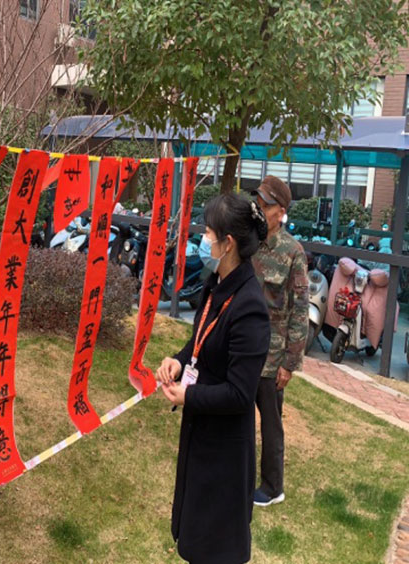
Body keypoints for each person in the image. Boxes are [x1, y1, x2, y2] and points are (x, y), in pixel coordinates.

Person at [157, 193, 271, 564]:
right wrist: (177, 362)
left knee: (214, 548)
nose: (203, 240)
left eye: (208, 233)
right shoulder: (216, 283)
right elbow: (200, 341)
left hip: (224, 452)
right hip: (200, 436)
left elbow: (240, 394)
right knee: (194, 540)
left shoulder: (249, 306)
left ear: (228, 242)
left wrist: (187, 397)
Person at [251, 175, 309, 507]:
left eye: (266, 205)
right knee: (239, 417)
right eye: (258, 202)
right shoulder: (250, 242)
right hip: (245, 349)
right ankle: (241, 475)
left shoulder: (292, 252)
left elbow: (300, 311)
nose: (259, 208)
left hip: (272, 359)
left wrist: (290, 363)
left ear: (281, 211)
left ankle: (273, 488)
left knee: (271, 424)